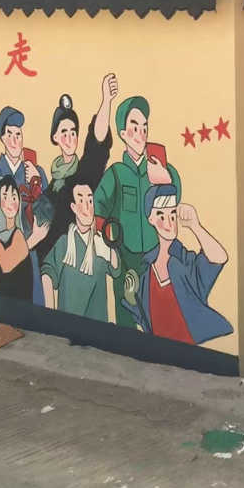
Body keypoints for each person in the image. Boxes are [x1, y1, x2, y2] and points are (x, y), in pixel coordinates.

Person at [94, 95, 181, 328]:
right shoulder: (116, 172)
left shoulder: (161, 169)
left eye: (144, 127)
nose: (141, 133)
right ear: (123, 133)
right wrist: (107, 235)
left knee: (158, 312)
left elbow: (176, 195)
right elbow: (97, 206)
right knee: (127, 311)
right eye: (134, 127)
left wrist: (164, 178)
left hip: (155, 254)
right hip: (125, 256)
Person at [120, 184, 233, 344]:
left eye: (173, 215)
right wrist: (131, 296)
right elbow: (142, 313)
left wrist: (195, 226)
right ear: (151, 219)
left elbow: (219, 258)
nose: (169, 223)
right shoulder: (147, 268)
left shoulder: (185, 262)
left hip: (189, 349)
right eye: (161, 216)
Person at [36, 74, 117, 264]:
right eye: (63, 132)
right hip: (52, 266)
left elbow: (97, 146)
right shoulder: (52, 187)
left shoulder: (84, 174)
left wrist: (106, 101)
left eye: (73, 132)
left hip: (81, 260)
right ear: (55, 137)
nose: (69, 138)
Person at [40, 182, 120, 320]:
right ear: (73, 207)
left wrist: (108, 250)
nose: (87, 207)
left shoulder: (100, 241)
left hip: (97, 322)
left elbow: (116, 270)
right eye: (81, 201)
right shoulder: (64, 243)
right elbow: (47, 274)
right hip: (68, 323)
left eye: (90, 201)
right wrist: (50, 316)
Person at [0, 174, 49, 304]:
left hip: (20, 306)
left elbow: (6, 264)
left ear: (19, 202)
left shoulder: (17, 235)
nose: (10, 202)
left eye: (14, 197)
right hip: (2, 304)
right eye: (5, 197)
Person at [0, 106, 47, 193]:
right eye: (9, 135)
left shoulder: (37, 172)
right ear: (3, 138)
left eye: (18, 135)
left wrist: (37, 182)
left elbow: (50, 201)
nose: (14, 141)